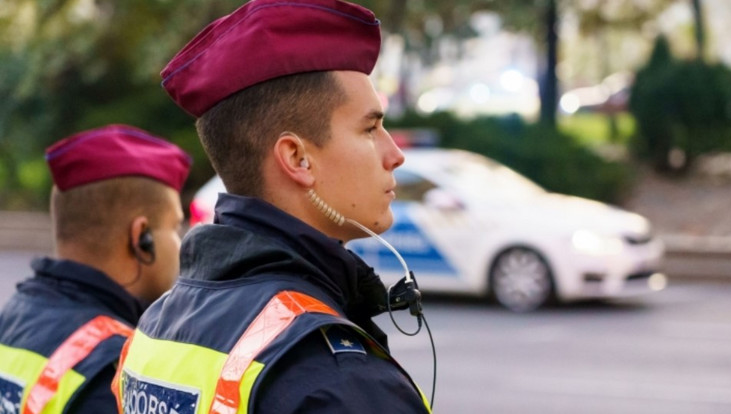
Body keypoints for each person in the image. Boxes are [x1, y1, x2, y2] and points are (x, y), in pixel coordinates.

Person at [113, 0, 431, 413]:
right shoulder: (338, 383)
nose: (395, 154)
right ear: (297, 158)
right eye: (370, 127)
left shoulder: (157, 327)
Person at [0, 124, 191, 413]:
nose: (180, 244)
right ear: (141, 237)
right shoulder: (115, 367)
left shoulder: (14, 315)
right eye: (175, 227)